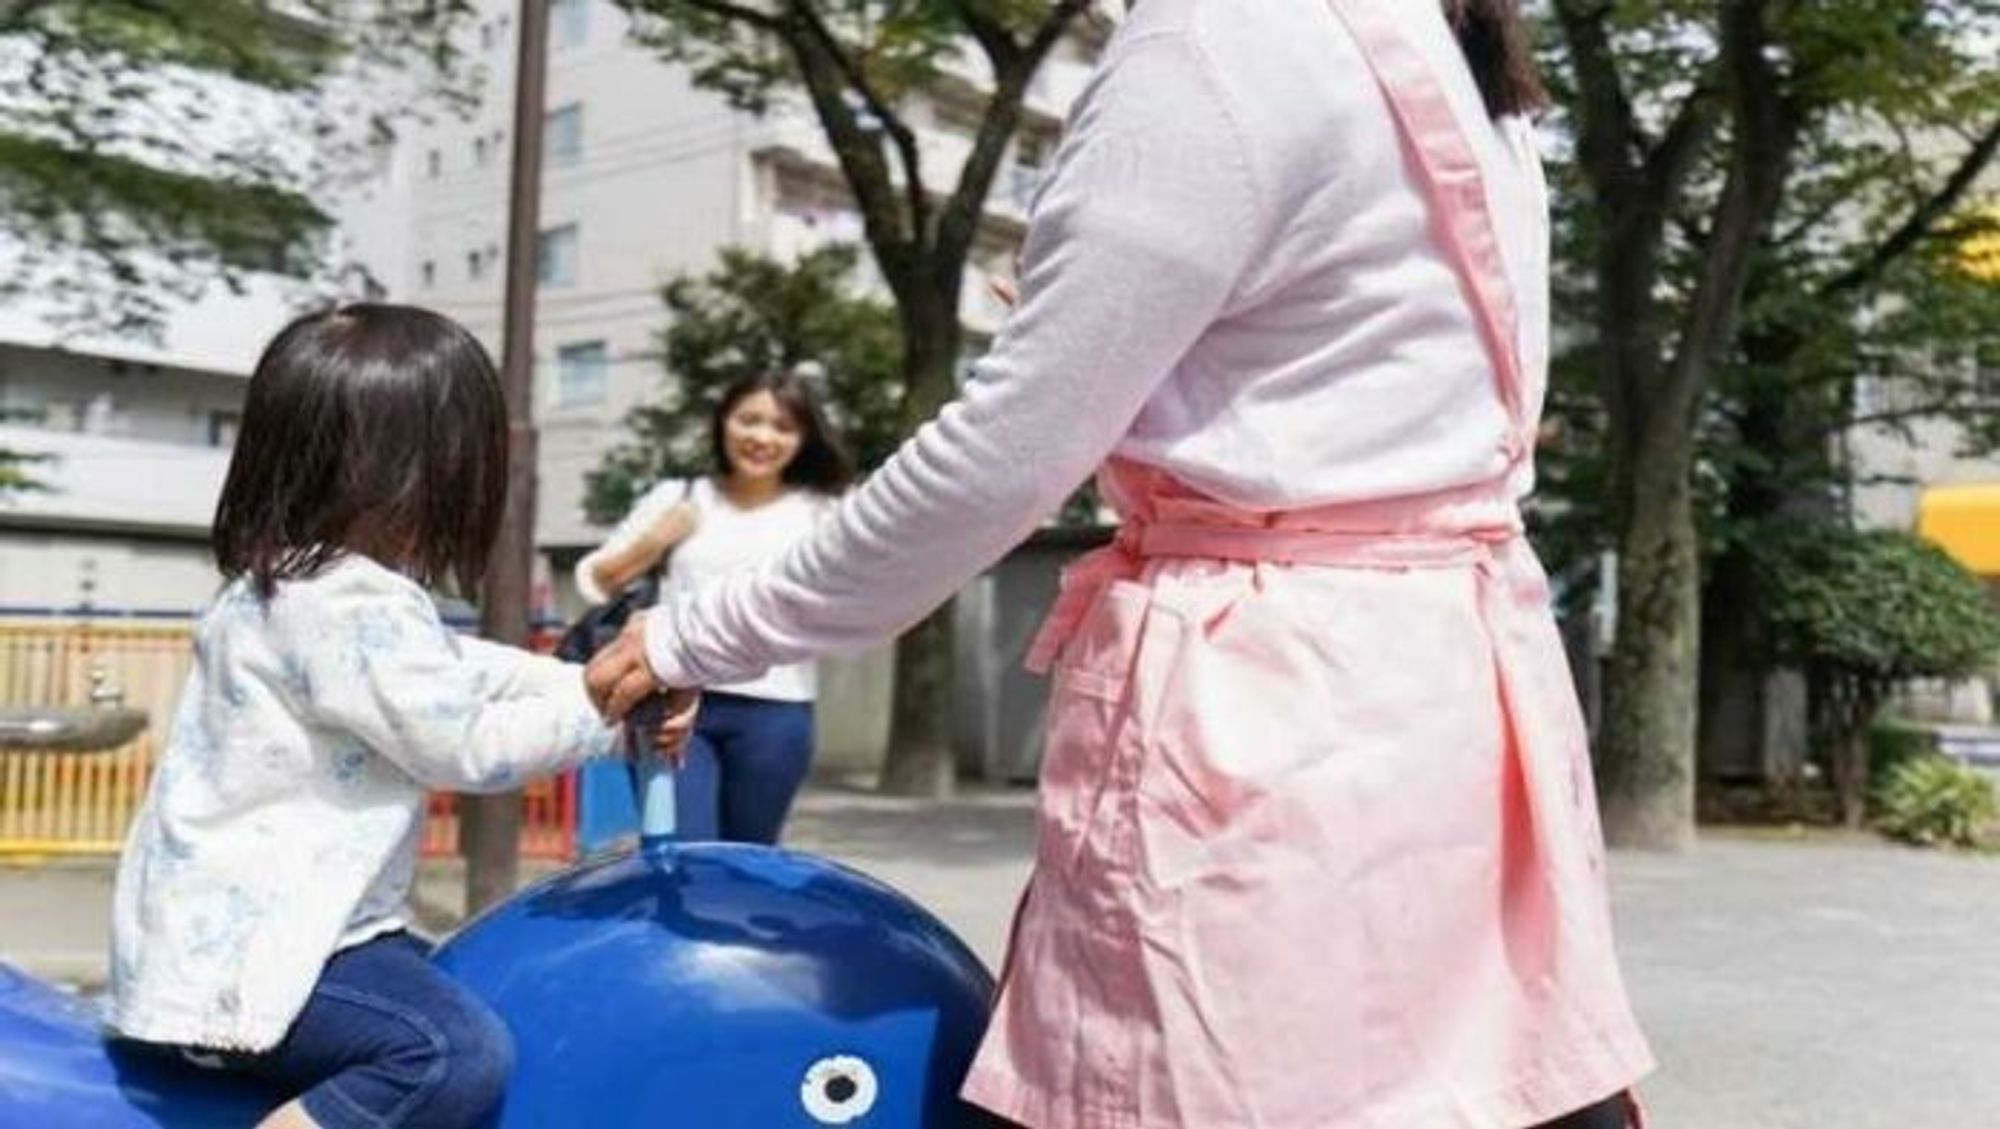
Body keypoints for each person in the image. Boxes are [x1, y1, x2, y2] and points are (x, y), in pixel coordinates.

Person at [587, 0, 1653, 1125]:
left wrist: (698, 628)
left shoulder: (1215, 37)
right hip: (1448, 699)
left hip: (1263, 708)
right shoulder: (1450, 52)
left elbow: (1001, 456)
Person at [107, 305, 694, 1129]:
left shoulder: (281, 587)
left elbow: (456, 672)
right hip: (266, 964)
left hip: (224, 942)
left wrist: (588, 684)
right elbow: (461, 741)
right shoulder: (351, 603)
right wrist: (608, 717)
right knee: (447, 1053)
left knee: (474, 987)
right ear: (427, 469)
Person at [574, 370, 852, 843]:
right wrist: (656, 541)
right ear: (724, 421)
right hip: (672, 700)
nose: (762, 437)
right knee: (679, 856)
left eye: (783, 427)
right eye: (749, 420)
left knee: (748, 862)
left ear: (803, 439)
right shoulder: (678, 498)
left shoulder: (824, 511)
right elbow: (595, 581)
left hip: (776, 711)